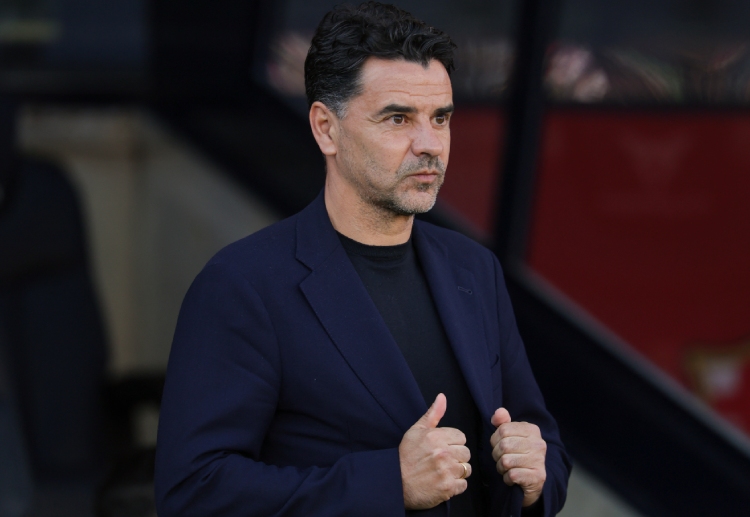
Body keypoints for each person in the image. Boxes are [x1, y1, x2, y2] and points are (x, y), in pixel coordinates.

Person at [155, 3, 571, 516]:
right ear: (325, 129)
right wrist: (389, 484)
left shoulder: (473, 269)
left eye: (440, 118)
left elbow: (539, 441)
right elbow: (193, 492)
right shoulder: (244, 285)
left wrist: (535, 475)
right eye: (398, 118)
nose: (429, 145)